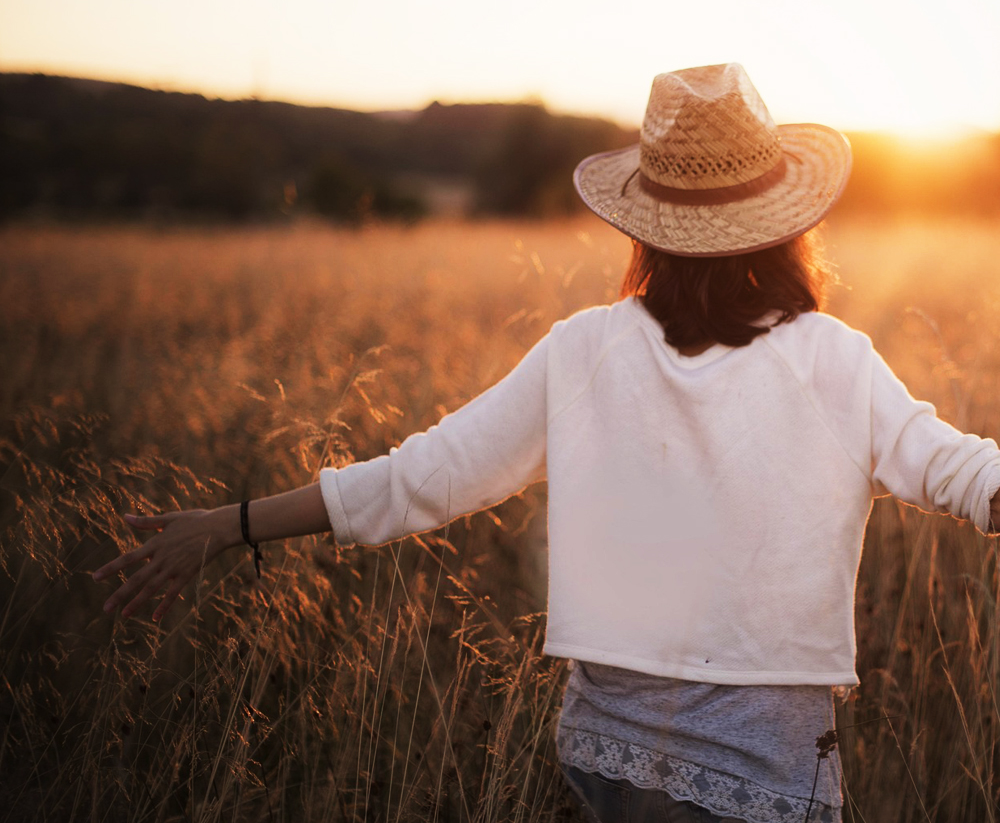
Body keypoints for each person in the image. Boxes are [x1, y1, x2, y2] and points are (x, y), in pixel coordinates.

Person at [94, 63, 1000, 823]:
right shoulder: (832, 360)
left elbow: (424, 478)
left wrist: (230, 524)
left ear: (649, 223)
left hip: (606, 757)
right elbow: (964, 473)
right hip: (765, 769)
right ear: (786, 218)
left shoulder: (584, 349)